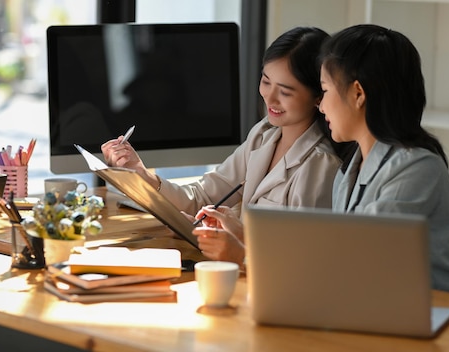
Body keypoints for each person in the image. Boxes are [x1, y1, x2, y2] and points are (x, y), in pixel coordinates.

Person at [101, 27, 353, 264]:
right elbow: (203, 196)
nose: (270, 97)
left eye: (285, 92)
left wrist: (237, 241)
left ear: (318, 96)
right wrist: (141, 173)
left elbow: (302, 259)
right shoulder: (264, 133)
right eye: (266, 82)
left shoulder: (320, 165)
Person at [317, 24, 449, 297]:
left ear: (358, 93)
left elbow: (361, 251)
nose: (321, 106)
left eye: (325, 90)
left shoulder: (418, 167)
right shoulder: (349, 170)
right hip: (385, 309)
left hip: (443, 319)